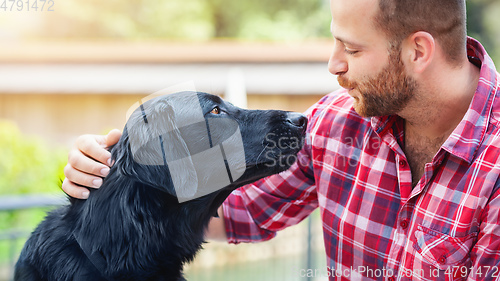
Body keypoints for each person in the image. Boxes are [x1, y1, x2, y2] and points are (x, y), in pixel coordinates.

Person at [62, 0, 500, 279]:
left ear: (418, 51)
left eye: (351, 50)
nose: (333, 65)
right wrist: (110, 173)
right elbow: (236, 213)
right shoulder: (334, 123)